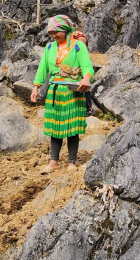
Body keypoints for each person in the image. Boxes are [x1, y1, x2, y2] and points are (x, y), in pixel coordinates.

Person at [31, 15, 95, 173]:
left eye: (56, 32)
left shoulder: (78, 46)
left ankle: (72, 162)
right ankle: (53, 162)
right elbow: (42, 69)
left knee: (72, 127)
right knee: (55, 127)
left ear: (65, 30)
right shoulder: (49, 48)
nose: (53, 36)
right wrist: (36, 87)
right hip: (54, 92)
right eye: (51, 33)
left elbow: (87, 66)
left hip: (73, 91)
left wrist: (86, 78)